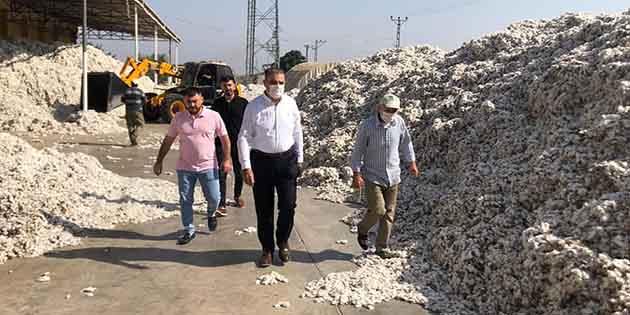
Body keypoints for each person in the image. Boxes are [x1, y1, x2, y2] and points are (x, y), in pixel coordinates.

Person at [237, 68, 304, 268]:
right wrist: (246, 166)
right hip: (262, 163)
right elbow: (243, 137)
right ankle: (267, 249)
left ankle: (282, 241)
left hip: (287, 162)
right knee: (264, 210)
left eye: (281, 82)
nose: (278, 86)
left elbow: (297, 132)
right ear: (265, 83)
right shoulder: (254, 107)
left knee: (288, 205)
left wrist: (300, 158)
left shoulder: (291, 104)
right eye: (273, 82)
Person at [153, 87, 233, 245]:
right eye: (188, 102)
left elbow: (225, 139)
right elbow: (168, 140)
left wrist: (227, 159)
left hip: (209, 165)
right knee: (185, 200)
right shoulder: (178, 118)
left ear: (202, 100)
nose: (192, 104)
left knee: (214, 197)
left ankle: (211, 214)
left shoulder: (213, 116)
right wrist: (159, 160)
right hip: (185, 167)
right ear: (184, 102)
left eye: (195, 101)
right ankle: (189, 229)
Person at [350, 94, 420, 259]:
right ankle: (363, 228)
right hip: (373, 175)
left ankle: (381, 247)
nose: (391, 113)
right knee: (378, 210)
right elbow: (358, 150)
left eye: (394, 110)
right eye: (388, 109)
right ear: (380, 108)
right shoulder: (367, 126)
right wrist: (356, 173)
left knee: (389, 213)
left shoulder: (399, 123)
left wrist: (412, 162)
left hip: (393, 175)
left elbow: (406, 143)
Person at [212, 76, 248, 217]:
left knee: (239, 171)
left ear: (234, 86)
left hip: (238, 142)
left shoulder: (243, 103)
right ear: (221, 88)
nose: (227, 88)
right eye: (224, 86)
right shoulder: (217, 103)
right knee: (222, 172)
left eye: (229, 85)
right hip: (221, 143)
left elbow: (249, 122)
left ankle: (237, 196)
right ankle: (221, 203)